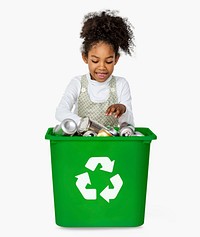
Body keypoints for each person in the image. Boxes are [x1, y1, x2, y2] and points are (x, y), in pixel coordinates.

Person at [55, 9, 135, 128]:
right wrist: (86, 124)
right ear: (85, 57)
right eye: (95, 61)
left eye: (108, 61)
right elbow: (60, 112)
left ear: (116, 59)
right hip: (82, 144)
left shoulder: (120, 84)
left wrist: (123, 109)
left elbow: (128, 124)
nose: (102, 67)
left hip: (112, 145)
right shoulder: (77, 83)